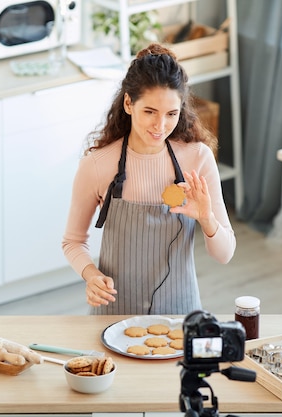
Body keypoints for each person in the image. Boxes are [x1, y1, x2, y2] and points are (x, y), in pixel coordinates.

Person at [61, 43, 236, 315]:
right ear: (129, 103)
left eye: (171, 114)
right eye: (150, 112)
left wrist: (206, 218)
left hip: (180, 315)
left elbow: (224, 254)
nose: (160, 126)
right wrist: (91, 275)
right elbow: (73, 241)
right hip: (114, 313)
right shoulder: (96, 166)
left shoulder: (198, 159)